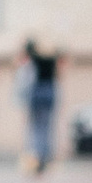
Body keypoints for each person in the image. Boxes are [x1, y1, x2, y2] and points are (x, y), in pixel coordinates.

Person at [21, 38, 62, 175]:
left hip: (38, 95)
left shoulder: (34, 59)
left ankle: (39, 157)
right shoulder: (52, 59)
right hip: (48, 94)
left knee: (37, 129)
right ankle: (44, 157)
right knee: (46, 128)